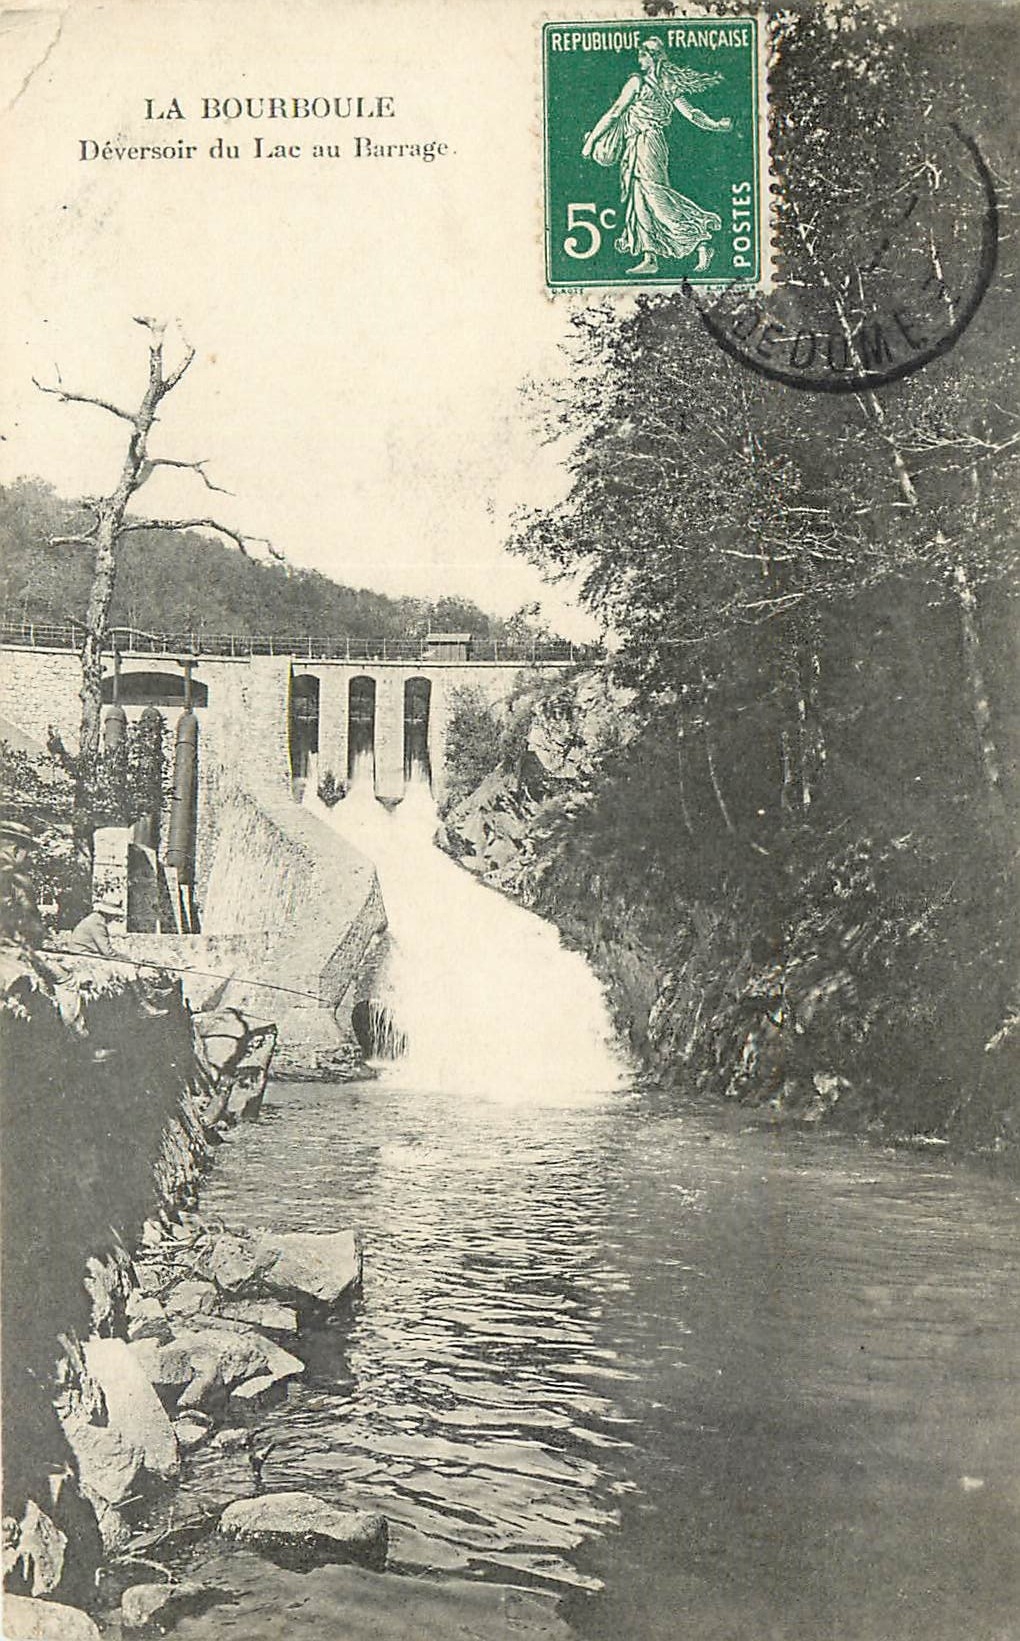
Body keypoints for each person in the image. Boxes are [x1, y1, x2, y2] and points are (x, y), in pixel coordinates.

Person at [582, 36, 732, 275]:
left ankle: (699, 237)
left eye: (642, 55)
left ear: (651, 58)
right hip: (646, 143)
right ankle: (650, 257)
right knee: (640, 197)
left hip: (645, 143)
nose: (639, 59)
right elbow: (692, 113)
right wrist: (715, 125)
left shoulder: (636, 82)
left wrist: (591, 141)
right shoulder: (668, 84)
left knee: (653, 195)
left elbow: (614, 113)